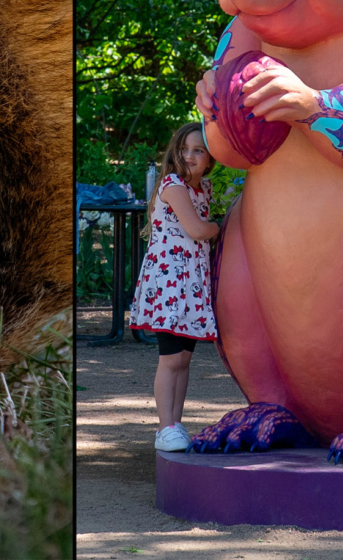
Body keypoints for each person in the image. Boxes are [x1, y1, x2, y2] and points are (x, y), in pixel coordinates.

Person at [129, 122, 220, 451]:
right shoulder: (173, 186)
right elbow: (197, 229)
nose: (190, 156)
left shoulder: (203, 189)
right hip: (169, 284)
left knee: (183, 359)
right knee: (169, 359)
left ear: (210, 158)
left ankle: (175, 424)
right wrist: (219, 227)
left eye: (199, 151)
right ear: (175, 153)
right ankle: (164, 426)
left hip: (192, 284)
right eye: (185, 150)